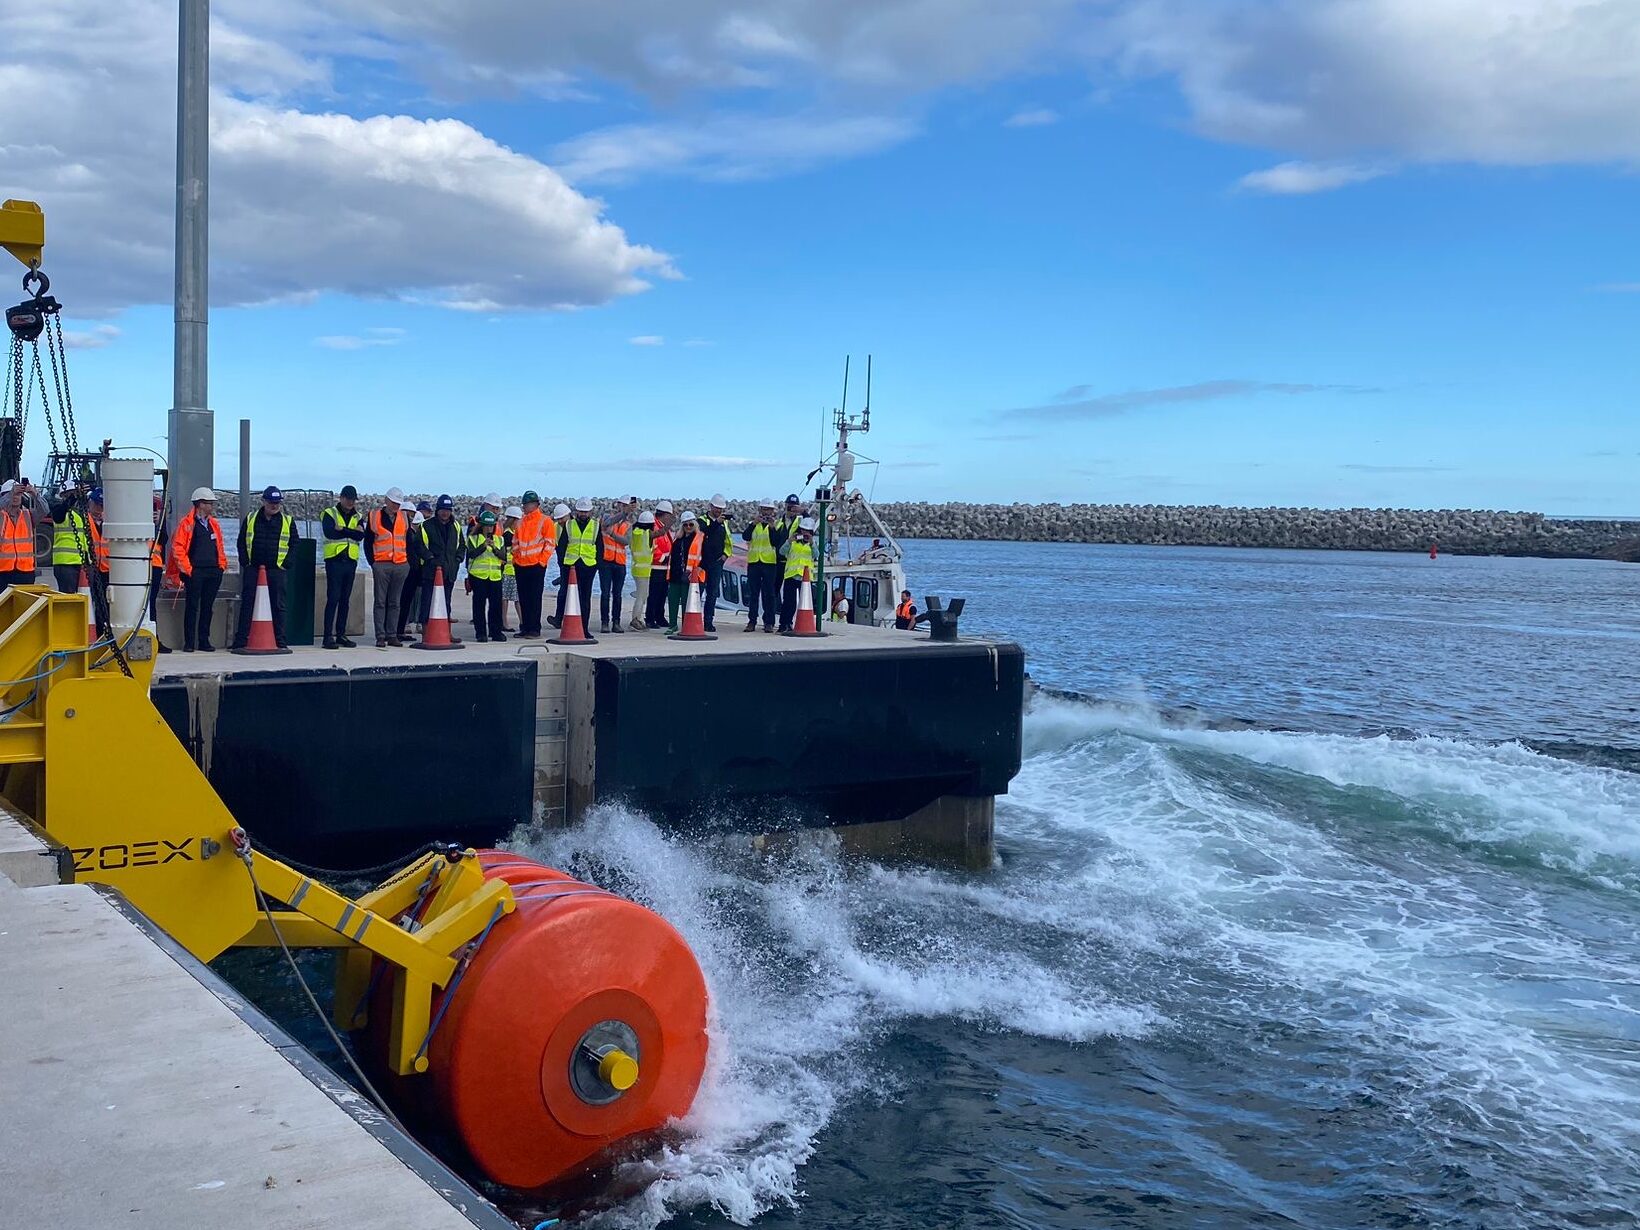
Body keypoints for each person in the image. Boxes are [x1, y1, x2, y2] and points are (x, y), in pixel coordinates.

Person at [234, 486, 299, 650]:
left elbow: (294, 544)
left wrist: (286, 564)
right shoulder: (251, 519)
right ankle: (241, 640)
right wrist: (245, 562)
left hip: (276, 570)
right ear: (263, 501)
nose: (274, 505)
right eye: (271, 502)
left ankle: (280, 641)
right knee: (247, 604)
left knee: (278, 606)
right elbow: (242, 541)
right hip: (253, 568)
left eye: (277, 502)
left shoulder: (288, 521)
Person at [168, 487, 226, 651]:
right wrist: (188, 570)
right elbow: (178, 548)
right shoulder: (186, 524)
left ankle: (204, 641)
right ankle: (189, 643)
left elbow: (219, 546)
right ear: (200, 504)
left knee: (207, 608)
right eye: (210, 503)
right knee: (192, 607)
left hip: (213, 571)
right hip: (195, 572)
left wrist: (221, 566)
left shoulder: (213, 524)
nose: (212, 506)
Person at [364, 486, 410, 648]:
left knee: (395, 602)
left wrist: (407, 563)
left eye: (398, 504)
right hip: (381, 564)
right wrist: (373, 563)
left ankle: (392, 635)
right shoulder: (374, 516)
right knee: (380, 602)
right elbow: (368, 541)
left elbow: (409, 540)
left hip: (400, 564)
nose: (396, 506)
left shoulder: (404, 518)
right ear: (386, 501)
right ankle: (380, 636)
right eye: (394, 503)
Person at [320, 484, 365, 649]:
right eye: (348, 499)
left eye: (353, 500)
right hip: (334, 560)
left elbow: (360, 536)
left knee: (345, 600)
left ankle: (341, 634)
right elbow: (330, 532)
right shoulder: (329, 513)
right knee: (333, 598)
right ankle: (327, 637)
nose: (351, 503)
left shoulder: (358, 516)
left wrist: (343, 529)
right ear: (342, 498)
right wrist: (351, 531)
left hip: (350, 561)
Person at [412, 494, 463, 638]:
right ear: (437, 510)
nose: (445, 512)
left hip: (449, 572)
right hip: (431, 572)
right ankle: (426, 633)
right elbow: (418, 545)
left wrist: (458, 559)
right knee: (427, 602)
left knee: (446, 603)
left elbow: (462, 546)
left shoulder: (456, 526)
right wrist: (429, 558)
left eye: (448, 509)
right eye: (442, 509)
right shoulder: (426, 526)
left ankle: (447, 633)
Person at [555, 498, 600, 630]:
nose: (583, 514)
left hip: (588, 566)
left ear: (590, 512)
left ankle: (584, 629)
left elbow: (600, 547)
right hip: (571, 566)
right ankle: (569, 626)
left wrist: (596, 566)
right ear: (577, 511)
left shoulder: (595, 525)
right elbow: (562, 546)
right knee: (570, 597)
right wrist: (563, 565)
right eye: (581, 511)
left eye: (586, 512)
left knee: (585, 598)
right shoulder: (569, 525)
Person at [511, 490, 548, 638]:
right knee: (524, 598)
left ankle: (534, 629)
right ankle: (525, 627)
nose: (524, 507)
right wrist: (515, 559)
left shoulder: (545, 521)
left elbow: (550, 544)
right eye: (524, 504)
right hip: (521, 565)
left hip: (536, 566)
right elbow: (515, 543)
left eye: (526, 504)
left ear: (535, 505)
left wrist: (542, 562)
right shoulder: (520, 523)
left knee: (534, 598)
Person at [466, 509, 507, 642]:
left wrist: (494, 548)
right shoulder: (473, 538)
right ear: (481, 526)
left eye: (491, 526)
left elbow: (503, 556)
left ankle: (496, 632)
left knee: (496, 606)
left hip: (495, 576)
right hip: (478, 576)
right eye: (487, 526)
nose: (489, 528)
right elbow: (471, 554)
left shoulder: (499, 540)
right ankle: (481, 633)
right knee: (479, 605)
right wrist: (484, 546)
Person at [740, 499, 779, 632]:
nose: (766, 512)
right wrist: (753, 524)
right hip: (754, 562)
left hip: (769, 563)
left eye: (768, 510)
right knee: (753, 594)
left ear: (773, 511)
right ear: (760, 510)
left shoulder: (776, 525)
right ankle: (752, 621)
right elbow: (745, 536)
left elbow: (776, 542)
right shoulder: (754, 524)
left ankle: (769, 622)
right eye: (764, 509)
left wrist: (772, 527)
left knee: (769, 594)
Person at [599, 495, 635, 634]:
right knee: (605, 593)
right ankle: (604, 622)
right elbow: (606, 524)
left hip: (619, 562)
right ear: (618, 505)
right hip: (606, 561)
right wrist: (623, 514)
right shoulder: (607, 517)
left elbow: (626, 541)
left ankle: (616, 622)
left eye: (626, 506)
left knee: (617, 594)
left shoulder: (628, 524)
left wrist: (613, 534)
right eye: (623, 505)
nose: (625, 508)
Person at [48, 481, 90, 594]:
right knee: (69, 596)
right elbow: (58, 516)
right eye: (70, 494)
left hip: (80, 561)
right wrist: (73, 497)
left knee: (83, 596)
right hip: (65, 562)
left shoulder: (81, 512)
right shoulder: (60, 510)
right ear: (63, 496)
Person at [397, 501, 431, 641]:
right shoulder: (407, 532)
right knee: (400, 601)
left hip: (416, 571)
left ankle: (400, 630)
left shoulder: (414, 532)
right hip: (405, 569)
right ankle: (398, 629)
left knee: (407, 601)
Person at [779, 517, 819, 633]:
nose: (804, 533)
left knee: (806, 602)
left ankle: (805, 624)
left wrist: (811, 543)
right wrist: (789, 541)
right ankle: (785, 624)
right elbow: (782, 552)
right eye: (803, 530)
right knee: (788, 603)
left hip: (805, 579)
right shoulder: (793, 542)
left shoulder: (812, 544)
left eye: (807, 531)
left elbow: (817, 555)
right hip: (791, 575)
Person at [667, 511, 705, 633]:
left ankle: (685, 626)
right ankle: (672, 625)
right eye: (685, 525)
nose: (688, 527)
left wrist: (697, 570)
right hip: (675, 574)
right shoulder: (677, 539)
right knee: (672, 601)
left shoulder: (700, 538)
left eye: (690, 524)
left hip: (690, 576)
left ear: (694, 524)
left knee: (686, 602)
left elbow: (705, 556)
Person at [0, 479, 36, 594]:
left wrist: (35, 494)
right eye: (11, 494)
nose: (15, 497)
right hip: (3, 572)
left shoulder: (27, 515)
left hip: (25, 571)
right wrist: (11, 493)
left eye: (18, 494)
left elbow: (45, 510)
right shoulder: (1, 515)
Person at [147, 494, 172, 652]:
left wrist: (158, 523)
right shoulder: (135, 521)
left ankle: (154, 638)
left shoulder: (159, 524)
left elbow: (163, 540)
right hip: (140, 565)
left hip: (154, 566)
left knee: (151, 604)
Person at [627, 510, 655, 632]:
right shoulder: (646, 534)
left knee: (642, 595)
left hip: (636, 567)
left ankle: (637, 618)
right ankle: (635, 619)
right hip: (643, 570)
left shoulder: (635, 532)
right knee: (641, 596)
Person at [546, 502, 571, 628]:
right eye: (558, 519)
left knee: (573, 592)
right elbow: (555, 546)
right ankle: (559, 618)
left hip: (577, 564)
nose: (560, 521)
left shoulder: (574, 526)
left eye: (562, 518)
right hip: (564, 563)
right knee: (563, 592)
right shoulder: (555, 527)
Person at [646, 513, 672, 628]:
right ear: (665, 515)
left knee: (662, 594)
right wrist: (663, 558)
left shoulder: (662, 527)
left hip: (664, 568)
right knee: (654, 595)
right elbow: (653, 547)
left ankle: (659, 617)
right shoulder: (655, 527)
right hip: (656, 567)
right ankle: (650, 618)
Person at [501, 505, 522, 631]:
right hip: (509, 571)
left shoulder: (511, 533)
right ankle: (506, 622)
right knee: (508, 599)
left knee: (512, 599)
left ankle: (518, 622)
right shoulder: (508, 535)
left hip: (514, 570)